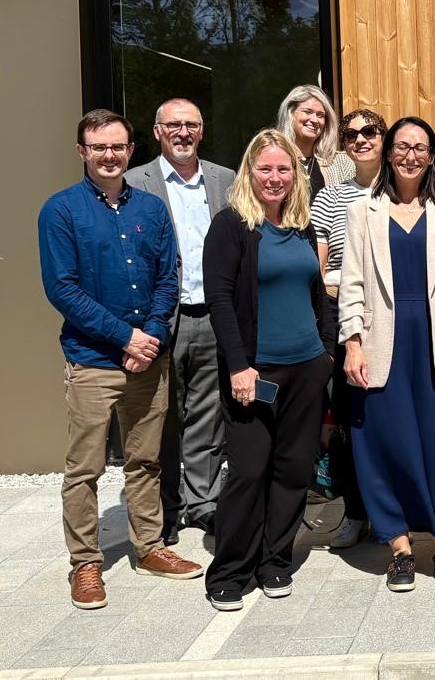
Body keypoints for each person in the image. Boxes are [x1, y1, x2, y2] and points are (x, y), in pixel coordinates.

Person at [38, 109, 201, 611]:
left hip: (148, 359)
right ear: (82, 152)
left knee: (146, 460)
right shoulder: (60, 211)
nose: (108, 155)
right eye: (98, 147)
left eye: (117, 146)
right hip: (92, 359)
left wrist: (149, 336)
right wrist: (125, 337)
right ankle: (85, 562)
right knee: (84, 468)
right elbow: (62, 289)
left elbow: (168, 278)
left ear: (131, 150)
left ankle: (148, 546)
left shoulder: (151, 209)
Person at [339, 118, 435, 592]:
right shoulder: (363, 210)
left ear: (432, 156)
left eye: (421, 148)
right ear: (388, 153)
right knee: (388, 443)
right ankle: (400, 549)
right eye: (402, 146)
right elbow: (352, 281)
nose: (410, 156)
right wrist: (352, 343)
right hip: (382, 343)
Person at [202, 129, 337, 611]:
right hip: (254, 374)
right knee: (249, 470)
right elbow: (219, 300)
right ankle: (229, 571)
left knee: (294, 469)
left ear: (295, 175)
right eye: (266, 169)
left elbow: (318, 291)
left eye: (284, 169)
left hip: (306, 370)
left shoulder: (302, 226)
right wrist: (239, 366)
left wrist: (326, 354)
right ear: (249, 172)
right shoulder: (231, 225)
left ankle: (275, 560)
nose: (275, 177)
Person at [126, 99, 235, 544]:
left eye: (191, 124)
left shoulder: (225, 179)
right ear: (157, 131)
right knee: (161, 416)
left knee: (208, 414)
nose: (183, 132)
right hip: (160, 318)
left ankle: (203, 502)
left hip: (212, 314)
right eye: (174, 125)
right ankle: (166, 507)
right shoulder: (135, 181)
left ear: (202, 131)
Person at [311, 107, 387, 550]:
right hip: (347, 321)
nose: (360, 139)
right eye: (351, 134)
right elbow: (320, 271)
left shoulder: (402, 188)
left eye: (369, 131)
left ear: (383, 137)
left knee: (391, 418)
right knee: (353, 418)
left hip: (396, 318)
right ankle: (356, 511)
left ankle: (393, 510)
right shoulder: (329, 198)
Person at [276, 84, 356, 197]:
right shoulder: (273, 159)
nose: (314, 120)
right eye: (307, 112)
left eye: (320, 115)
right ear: (290, 114)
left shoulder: (341, 163)